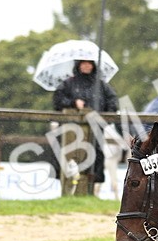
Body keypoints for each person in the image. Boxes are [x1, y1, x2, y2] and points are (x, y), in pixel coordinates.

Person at [51, 58, 119, 194]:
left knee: (94, 159)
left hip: (94, 131)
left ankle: (90, 191)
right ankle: (67, 190)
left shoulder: (102, 86)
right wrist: (72, 103)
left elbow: (113, 103)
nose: (87, 66)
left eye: (90, 63)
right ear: (78, 65)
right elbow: (57, 101)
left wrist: (102, 117)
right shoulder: (68, 84)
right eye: (84, 63)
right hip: (70, 132)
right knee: (68, 159)